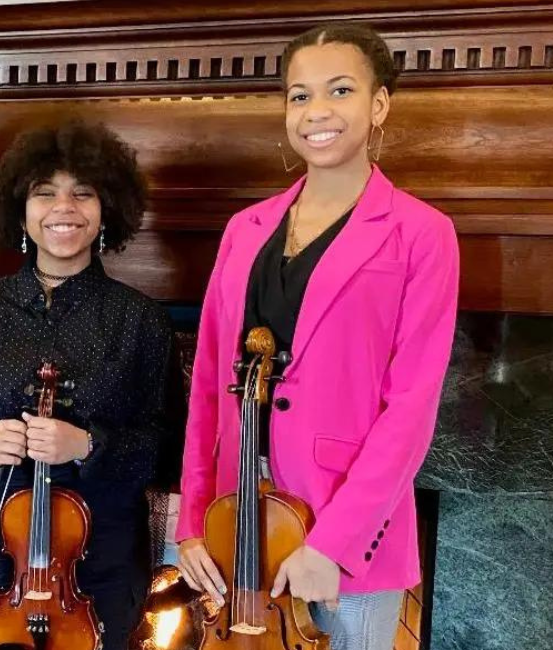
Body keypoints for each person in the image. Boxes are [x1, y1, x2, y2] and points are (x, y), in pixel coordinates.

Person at [174, 23, 459, 650]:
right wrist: (192, 519)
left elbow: (410, 408)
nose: (316, 112)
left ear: (379, 103)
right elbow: (205, 387)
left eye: (339, 90)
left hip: (343, 531)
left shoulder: (422, 233)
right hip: (236, 519)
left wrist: (333, 544)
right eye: (299, 96)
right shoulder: (244, 228)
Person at [0, 121, 173, 650]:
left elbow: (169, 448)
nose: (64, 208)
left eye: (83, 193)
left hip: (99, 558)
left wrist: (89, 444)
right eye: (44, 193)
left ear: (107, 209)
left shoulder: (139, 320)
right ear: (21, 212)